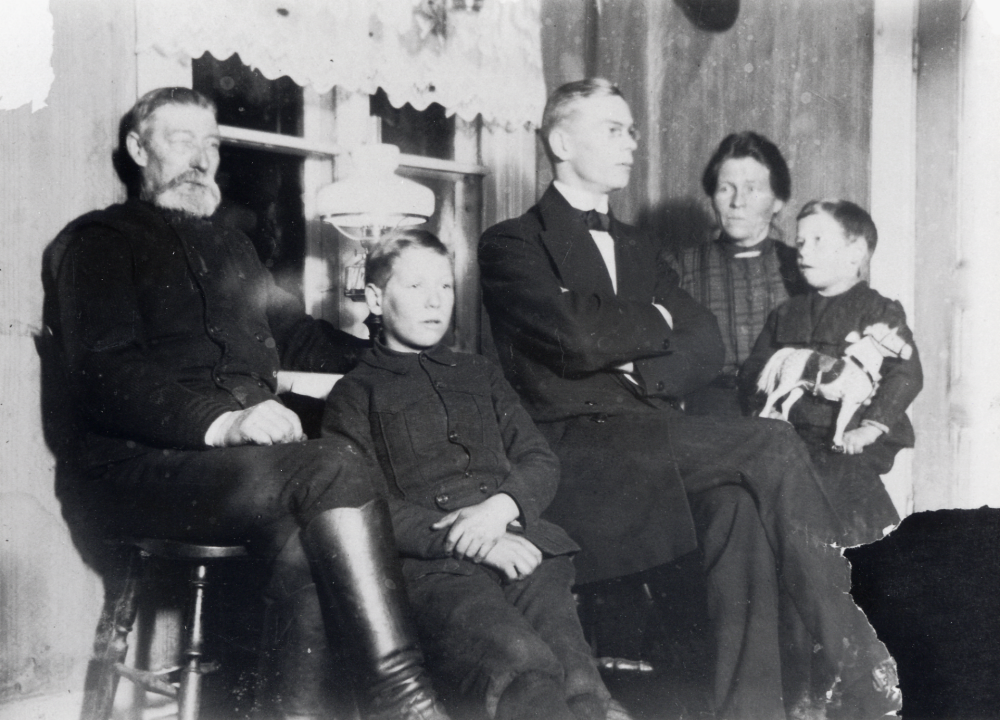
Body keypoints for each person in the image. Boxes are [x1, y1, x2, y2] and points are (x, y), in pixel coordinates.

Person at [478, 78, 901, 720]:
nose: (631, 143)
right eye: (614, 129)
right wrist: (647, 324)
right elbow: (573, 336)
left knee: (736, 508)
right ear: (562, 141)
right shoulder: (511, 243)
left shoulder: (640, 247)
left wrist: (625, 355)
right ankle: (863, 663)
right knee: (768, 440)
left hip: (653, 442)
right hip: (576, 460)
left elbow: (703, 344)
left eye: (632, 130)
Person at [45, 87, 449, 720]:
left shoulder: (233, 250)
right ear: (136, 148)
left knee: (308, 543)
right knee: (332, 466)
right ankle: (407, 704)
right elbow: (105, 375)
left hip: (232, 477)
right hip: (135, 471)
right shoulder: (97, 242)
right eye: (183, 141)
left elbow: (302, 338)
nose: (203, 159)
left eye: (212, 144)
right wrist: (223, 421)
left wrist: (402, 354)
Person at [321, 231, 627, 720]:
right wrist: (466, 539)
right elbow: (362, 502)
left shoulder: (479, 373)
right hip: (436, 570)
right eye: (417, 287)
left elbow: (538, 459)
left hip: (525, 547)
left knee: (579, 679)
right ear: (376, 298)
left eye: (445, 287)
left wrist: (498, 511)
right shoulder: (355, 394)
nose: (435, 302)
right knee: (520, 667)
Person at [740, 199, 923, 545]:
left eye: (818, 240)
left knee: (844, 505)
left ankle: (878, 574)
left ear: (855, 252)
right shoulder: (786, 313)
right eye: (800, 242)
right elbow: (755, 371)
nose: (804, 249)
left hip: (852, 441)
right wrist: (767, 410)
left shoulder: (879, 310)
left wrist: (871, 428)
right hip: (793, 437)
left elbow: (907, 373)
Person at [670, 131, 803, 416]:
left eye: (752, 189)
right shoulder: (680, 267)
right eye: (726, 188)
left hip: (788, 412)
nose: (737, 202)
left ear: (778, 201)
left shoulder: (801, 267)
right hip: (706, 417)